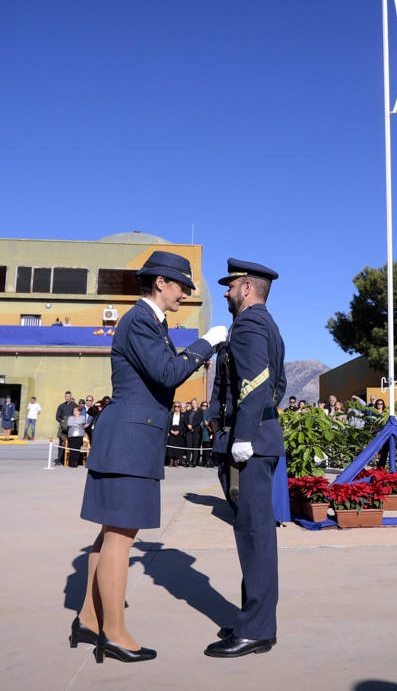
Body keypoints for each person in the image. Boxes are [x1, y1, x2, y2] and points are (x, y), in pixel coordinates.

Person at [73, 250, 224, 664]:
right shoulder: (140, 320)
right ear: (160, 282)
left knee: (110, 535)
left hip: (129, 438)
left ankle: (89, 618)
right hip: (129, 441)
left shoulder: (149, 322)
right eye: (181, 286)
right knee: (121, 536)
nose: (185, 294)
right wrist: (207, 343)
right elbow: (169, 374)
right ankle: (115, 633)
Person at [206, 259, 285, 659]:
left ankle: (257, 628)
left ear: (248, 288)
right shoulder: (266, 324)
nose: (225, 291)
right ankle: (252, 619)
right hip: (255, 439)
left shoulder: (251, 324)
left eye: (231, 285)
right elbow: (278, 383)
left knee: (255, 537)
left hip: (249, 445)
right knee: (252, 536)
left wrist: (244, 435)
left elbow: (254, 383)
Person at [55, 392, 74, 465]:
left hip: (71, 428)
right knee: (61, 443)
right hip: (63, 428)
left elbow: (77, 415)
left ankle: (70, 460)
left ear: (71, 397)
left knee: (71, 444)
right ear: (65, 397)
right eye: (66, 396)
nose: (67, 398)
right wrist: (62, 421)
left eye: (68, 396)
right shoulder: (61, 406)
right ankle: (60, 459)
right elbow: (57, 417)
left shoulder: (74, 406)